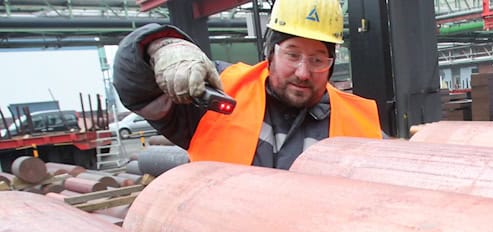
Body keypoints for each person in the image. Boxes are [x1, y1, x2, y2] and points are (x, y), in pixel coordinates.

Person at [113, 0, 381, 169]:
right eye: (293, 54)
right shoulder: (218, 92)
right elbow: (137, 91)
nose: (303, 72)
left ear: (331, 63)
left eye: (317, 59)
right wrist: (159, 46)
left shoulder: (360, 122)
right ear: (270, 52)